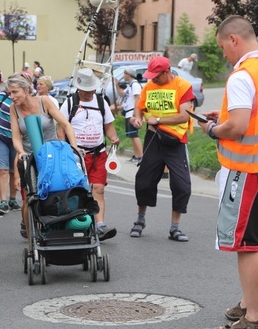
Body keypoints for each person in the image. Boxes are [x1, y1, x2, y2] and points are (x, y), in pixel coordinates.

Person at [197, 15, 258, 329]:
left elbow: (237, 127)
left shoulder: (242, 75)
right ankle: (249, 302)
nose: (224, 54)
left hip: (244, 170)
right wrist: (224, 117)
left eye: (223, 47)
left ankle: (255, 317)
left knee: (245, 245)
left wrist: (213, 129)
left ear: (234, 40)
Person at [128, 56, 195, 242]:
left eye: (156, 76)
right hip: (153, 139)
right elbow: (140, 107)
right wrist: (137, 118)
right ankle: (140, 221)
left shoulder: (183, 86)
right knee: (143, 182)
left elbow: (183, 116)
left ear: (167, 71)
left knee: (181, 185)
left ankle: (175, 228)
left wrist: (158, 120)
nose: (153, 79)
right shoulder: (149, 86)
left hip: (175, 141)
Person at [10, 73, 79, 237]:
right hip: (29, 158)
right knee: (30, 199)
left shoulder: (44, 102)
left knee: (57, 191)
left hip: (52, 156)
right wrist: (21, 152)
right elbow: (16, 137)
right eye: (9, 93)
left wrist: (73, 149)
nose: (11, 97)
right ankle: (32, 238)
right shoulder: (14, 109)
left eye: (14, 92)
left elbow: (66, 125)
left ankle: (60, 226)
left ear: (26, 90)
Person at [58, 68, 120, 240]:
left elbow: (108, 126)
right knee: (78, 190)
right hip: (76, 155)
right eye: (85, 90)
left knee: (98, 189)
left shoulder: (101, 102)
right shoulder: (69, 103)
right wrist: (67, 149)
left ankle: (100, 226)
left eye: (91, 89)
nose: (89, 93)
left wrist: (113, 138)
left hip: (98, 154)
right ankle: (78, 223)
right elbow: (61, 129)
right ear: (79, 88)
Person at [0, 73, 22, 216]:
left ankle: (13, 199)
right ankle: (3, 201)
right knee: (3, 170)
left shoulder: (24, 100)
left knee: (15, 171)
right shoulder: (3, 96)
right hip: (0, 136)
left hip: (16, 138)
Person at [119, 68, 144, 164]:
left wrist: (135, 113)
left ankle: (141, 156)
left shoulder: (135, 85)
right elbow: (122, 94)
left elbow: (137, 98)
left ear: (128, 74)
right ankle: (137, 156)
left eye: (124, 73)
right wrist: (117, 85)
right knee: (131, 135)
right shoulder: (129, 86)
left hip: (132, 113)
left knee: (134, 134)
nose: (123, 76)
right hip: (128, 112)